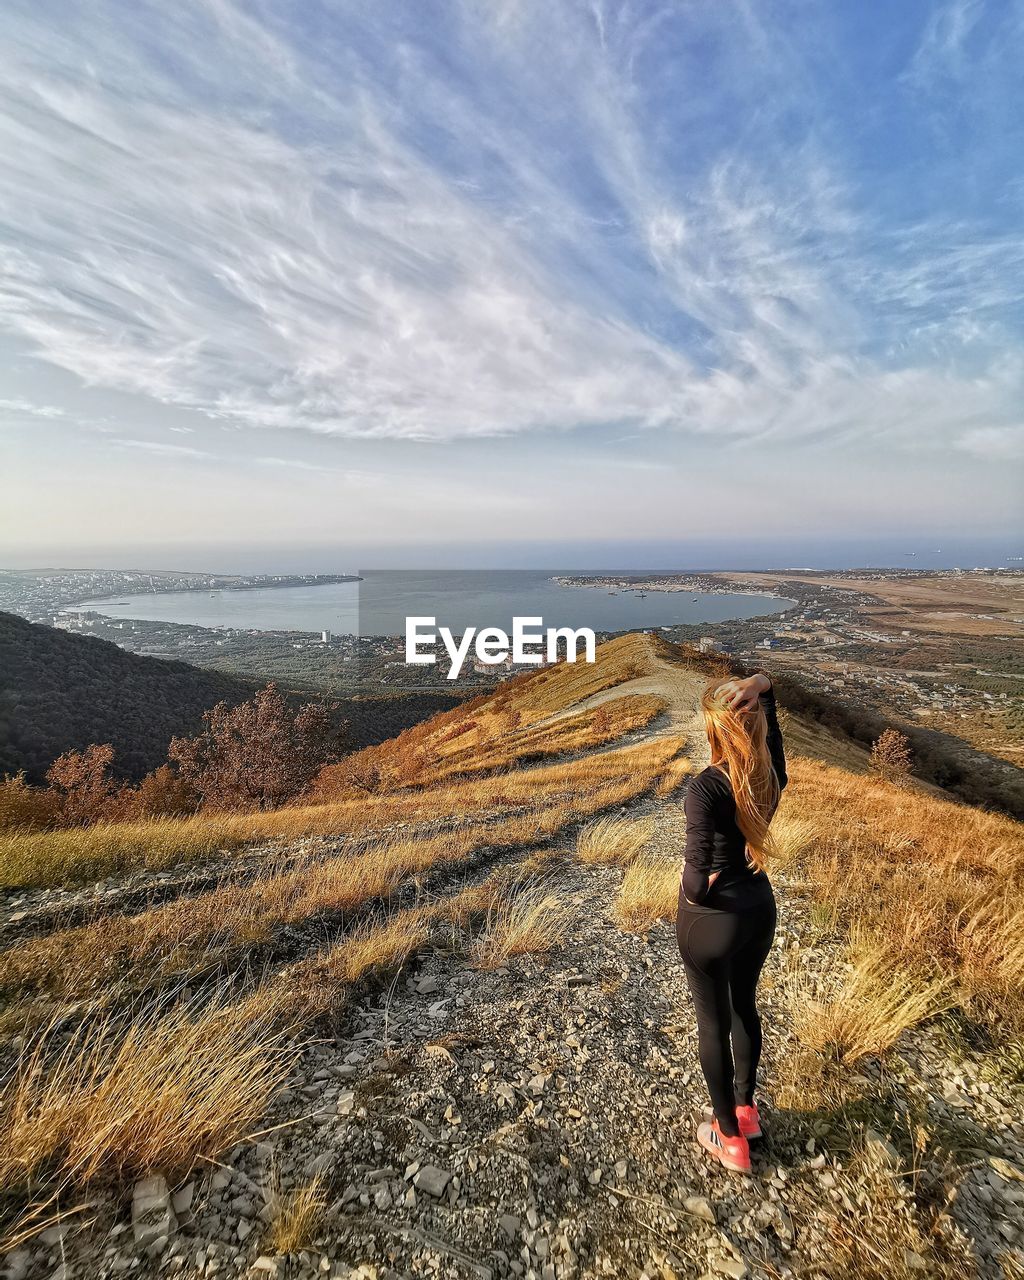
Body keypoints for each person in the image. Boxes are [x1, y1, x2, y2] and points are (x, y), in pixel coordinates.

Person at [676, 670, 787, 1174]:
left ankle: (728, 1138)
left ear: (715, 731)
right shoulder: (771, 774)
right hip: (759, 909)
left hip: (712, 919)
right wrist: (762, 683)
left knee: (711, 1020)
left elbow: (697, 882)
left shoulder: (704, 788)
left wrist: (689, 884)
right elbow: (772, 716)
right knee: (745, 1004)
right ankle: (747, 1110)